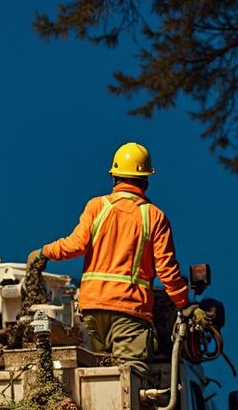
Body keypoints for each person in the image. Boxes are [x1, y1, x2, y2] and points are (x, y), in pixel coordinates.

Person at [27, 141, 196, 365]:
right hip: (130, 314)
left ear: (114, 177)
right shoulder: (154, 217)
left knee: (96, 378)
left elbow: (74, 245)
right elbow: (167, 270)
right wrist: (184, 304)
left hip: (92, 312)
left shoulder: (97, 206)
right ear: (146, 181)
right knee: (130, 381)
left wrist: (42, 252)